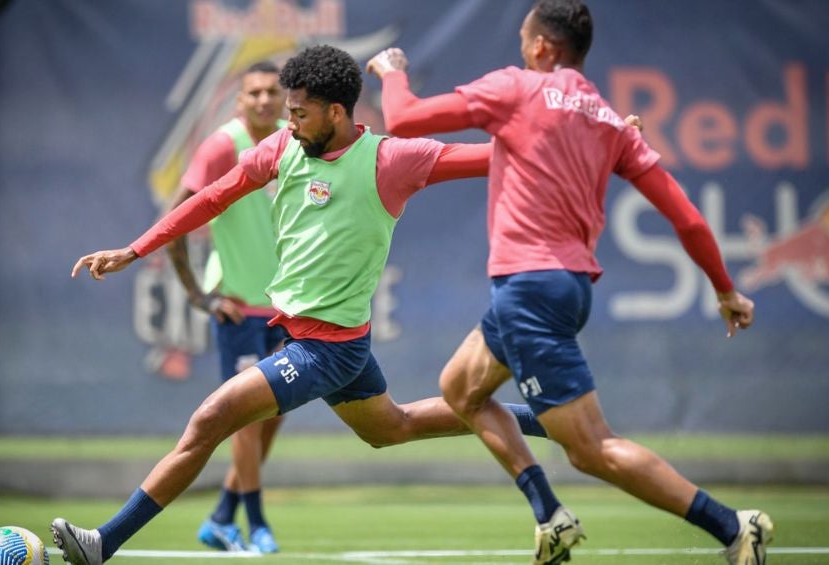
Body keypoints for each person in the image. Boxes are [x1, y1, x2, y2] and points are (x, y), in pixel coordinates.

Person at [52, 44, 549, 565]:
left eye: (298, 112)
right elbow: (208, 200)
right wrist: (135, 249)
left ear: (336, 112)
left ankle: (102, 544)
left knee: (210, 419)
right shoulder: (280, 151)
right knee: (393, 427)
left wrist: (597, 143)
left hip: (327, 349)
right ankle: (546, 416)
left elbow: (496, 158)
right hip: (330, 343)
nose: (286, 122)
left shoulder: (391, 159)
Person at [365, 1, 772, 564]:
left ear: (542, 49)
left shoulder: (517, 89)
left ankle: (731, 526)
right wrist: (725, 289)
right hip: (563, 287)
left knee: (592, 449)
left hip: (528, 289)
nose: (520, 50)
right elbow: (687, 217)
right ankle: (550, 515)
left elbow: (405, 119)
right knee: (461, 388)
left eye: (523, 40)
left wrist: (391, 72)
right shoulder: (609, 121)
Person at [163, 60, 288, 554]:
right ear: (239, 100)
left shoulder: (294, 141)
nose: (262, 100)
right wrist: (200, 296)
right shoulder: (223, 145)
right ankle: (257, 524)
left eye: (271, 92)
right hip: (238, 307)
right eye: (253, 92)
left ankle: (220, 517)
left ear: (285, 97)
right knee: (247, 419)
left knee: (272, 418)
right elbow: (177, 215)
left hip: (287, 309)